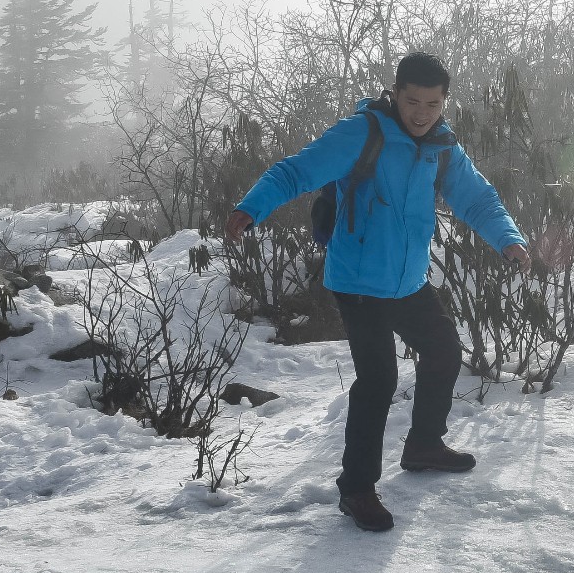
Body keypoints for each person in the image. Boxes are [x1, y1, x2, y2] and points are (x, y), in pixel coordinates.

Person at [224, 52, 531, 532]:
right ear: (396, 92)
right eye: (413, 101)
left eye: (433, 103)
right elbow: (296, 171)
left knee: (444, 349)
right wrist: (251, 208)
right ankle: (357, 489)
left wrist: (508, 239)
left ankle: (424, 444)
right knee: (379, 381)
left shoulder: (443, 146)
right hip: (358, 282)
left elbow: (476, 197)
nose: (422, 113)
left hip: (407, 281)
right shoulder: (362, 132)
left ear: (444, 101)